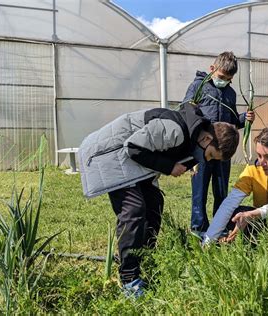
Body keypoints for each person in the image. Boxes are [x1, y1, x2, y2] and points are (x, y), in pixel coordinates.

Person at [78, 103, 239, 298]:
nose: (208, 160)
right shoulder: (176, 129)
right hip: (107, 154)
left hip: (128, 159)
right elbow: (134, 147)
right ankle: (129, 279)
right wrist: (169, 167)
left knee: (154, 203)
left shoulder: (192, 136)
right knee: (134, 209)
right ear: (206, 139)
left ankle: (144, 258)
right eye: (211, 155)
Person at [182, 51, 255, 235]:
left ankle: (219, 225)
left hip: (223, 150)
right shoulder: (198, 86)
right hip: (202, 149)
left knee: (221, 191)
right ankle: (198, 228)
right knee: (200, 190)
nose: (224, 81)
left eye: (228, 79)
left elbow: (231, 121)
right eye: (222, 77)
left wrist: (244, 119)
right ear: (212, 69)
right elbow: (187, 111)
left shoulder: (230, 92)